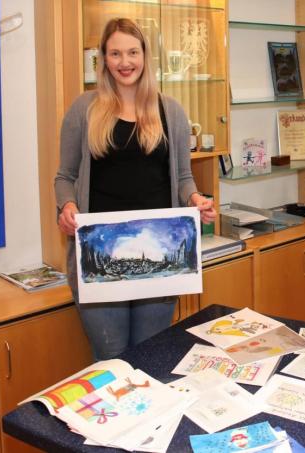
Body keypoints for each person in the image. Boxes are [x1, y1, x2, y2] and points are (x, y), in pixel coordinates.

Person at [55, 18, 216, 359]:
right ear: (103, 59)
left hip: (160, 256)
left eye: (132, 52)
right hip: (99, 257)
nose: (124, 62)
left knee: (152, 358)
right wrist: (67, 207)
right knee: (111, 361)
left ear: (145, 56)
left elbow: (183, 177)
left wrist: (195, 199)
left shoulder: (170, 111)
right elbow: (64, 177)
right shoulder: (83, 110)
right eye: (115, 53)